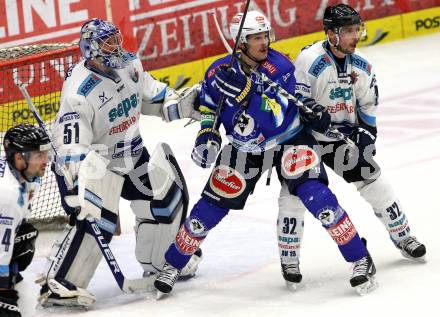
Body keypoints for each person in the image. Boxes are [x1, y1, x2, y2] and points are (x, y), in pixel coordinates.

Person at [154, 10, 378, 297]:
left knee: (318, 199)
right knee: (207, 211)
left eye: (264, 36)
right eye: (255, 38)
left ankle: (360, 258)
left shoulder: (281, 66)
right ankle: (173, 264)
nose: (263, 43)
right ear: (240, 43)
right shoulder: (217, 71)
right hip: (244, 148)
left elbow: (277, 115)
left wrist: (249, 94)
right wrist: (207, 135)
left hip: (289, 138)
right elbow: (210, 107)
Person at [37, 18, 202, 308]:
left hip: (134, 156)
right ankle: (62, 283)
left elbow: (154, 98)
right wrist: (78, 184)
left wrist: (186, 103)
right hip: (96, 165)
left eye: (115, 39)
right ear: (92, 49)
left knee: (165, 202)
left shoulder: (130, 65)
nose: (116, 46)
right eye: (107, 42)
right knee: (97, 222)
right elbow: (72, 146)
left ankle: (162, 261)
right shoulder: (79, 92)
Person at [276, 3, 426, 289]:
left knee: (374, 181)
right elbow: (295, 100)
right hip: (304, 138)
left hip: (341, 136)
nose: (355, 36)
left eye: (357, 30)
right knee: (292, 195)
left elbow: (368, 104)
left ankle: (403, 234)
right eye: (348, 31)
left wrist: (367, 135)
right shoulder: (309, 59)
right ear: (332, 34)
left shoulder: (363, 65)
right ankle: (289, 257)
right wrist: (310, 111)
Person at [0, 124, 50, 317]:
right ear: (19, 157)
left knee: (23, 236)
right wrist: (4, 292)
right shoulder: (8, 194)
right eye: (39, 155)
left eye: (46, 154)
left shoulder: (24, 175)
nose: (46, 160)